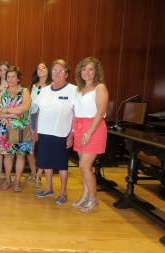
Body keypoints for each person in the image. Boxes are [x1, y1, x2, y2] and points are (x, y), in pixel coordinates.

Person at [34, 59, 78, 204]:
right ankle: (48, 188)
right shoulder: (45, 90)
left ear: (67, 74)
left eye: (61, 70)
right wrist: (36, 130)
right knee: (46, 162)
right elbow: (39, 110)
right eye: (55, 70)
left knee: (61, 164)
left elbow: (76, 114)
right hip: (44, 132)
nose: (57, 73)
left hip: (62, 133)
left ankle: (63, 192)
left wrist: (72, 134)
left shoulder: (73, 90)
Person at [72, 57, 108, 213]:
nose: (86, 72)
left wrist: (88, 133)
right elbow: (75, 112)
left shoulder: (100, 88)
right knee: (84, 168)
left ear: (96, 71)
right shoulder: (79, 89)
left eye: (91, 69)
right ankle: (85, 196)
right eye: (84, 69)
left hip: (93, 128)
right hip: (79, 127)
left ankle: (94, 200)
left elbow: (100, 113)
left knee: (84, 166)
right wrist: (74, 132)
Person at [0, 66, 32, 193]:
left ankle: (17, 181)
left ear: (18, 78)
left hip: (21, 128)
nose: (10, 79)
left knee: (20, 156)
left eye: (13, 76)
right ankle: (8, 179)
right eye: (8, 76)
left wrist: (6, 110)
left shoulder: (25, 91)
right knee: (8, 156)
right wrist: (10, 115)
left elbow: (25, 107)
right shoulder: (3, 92)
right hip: (5, 129)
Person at [25, 62, 52, 188]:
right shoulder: (32, 86)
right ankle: (34, 172)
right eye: (38, 68)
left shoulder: (52, 86)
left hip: (46, 119)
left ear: (48, 70)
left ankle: (39, 176)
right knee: (30, 147)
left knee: (43, 149)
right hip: (32, 117)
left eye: (43, 67)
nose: (40, 70)